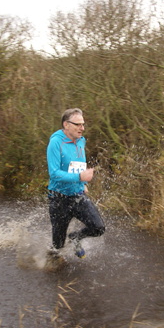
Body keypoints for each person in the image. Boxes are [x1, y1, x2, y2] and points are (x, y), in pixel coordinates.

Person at [47, 108, 105, 259]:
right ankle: (50, 271)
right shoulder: (55, 143)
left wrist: (82, 183)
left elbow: (77, 164)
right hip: (59, 199)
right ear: (66, 125)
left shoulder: (81, 141)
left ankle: (75, 238)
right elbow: (54, 173)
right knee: (58, 246)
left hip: (78, 195)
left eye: (83, 124)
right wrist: (80, 176)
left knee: (98, 228)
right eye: (78, 124)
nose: (82, 128)